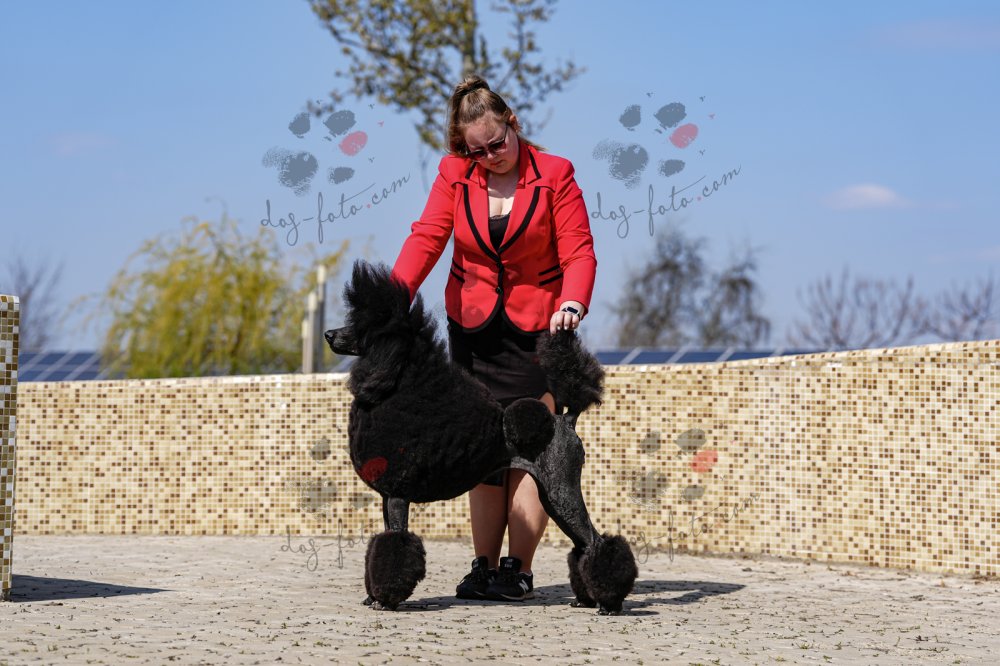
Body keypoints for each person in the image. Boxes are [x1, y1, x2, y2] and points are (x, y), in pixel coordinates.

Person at [390, 75, 596, 602]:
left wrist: (572, 302)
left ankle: (517, 570)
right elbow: (427, 236)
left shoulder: (556, 174)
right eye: (476, 151)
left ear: (513, 124)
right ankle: (482, 566)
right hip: (472, 330)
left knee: (530, 454)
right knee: (483, 453)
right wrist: (393, 295)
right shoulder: (454, 174)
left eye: (496, 144)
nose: (489, 157)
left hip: (537, 331)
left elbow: (578, 251)